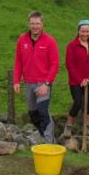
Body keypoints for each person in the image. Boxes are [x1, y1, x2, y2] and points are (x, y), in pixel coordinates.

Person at [13, 11, 59, 143]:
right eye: (32, 23)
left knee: (43, 112)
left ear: (42, 24)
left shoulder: (50, 41)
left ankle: (49, 143)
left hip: (43, 83)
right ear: (29, 24)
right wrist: (16, 80)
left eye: (37, 23)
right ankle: (44, 136)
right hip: (28, 83)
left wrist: (47, 84)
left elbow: (55, 64)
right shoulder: (22, 40)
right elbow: (18, 62)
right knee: (33, 114)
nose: (35, 26)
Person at [63, 19, 89, 138]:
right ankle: (68, 126)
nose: (85, 34)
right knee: (78, 103)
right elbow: (69, 64)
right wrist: (80, 80)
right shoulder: (72, 46)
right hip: (75, 81)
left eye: (87, 31)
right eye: (83, 31)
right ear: (78, 31)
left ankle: (87, 126)